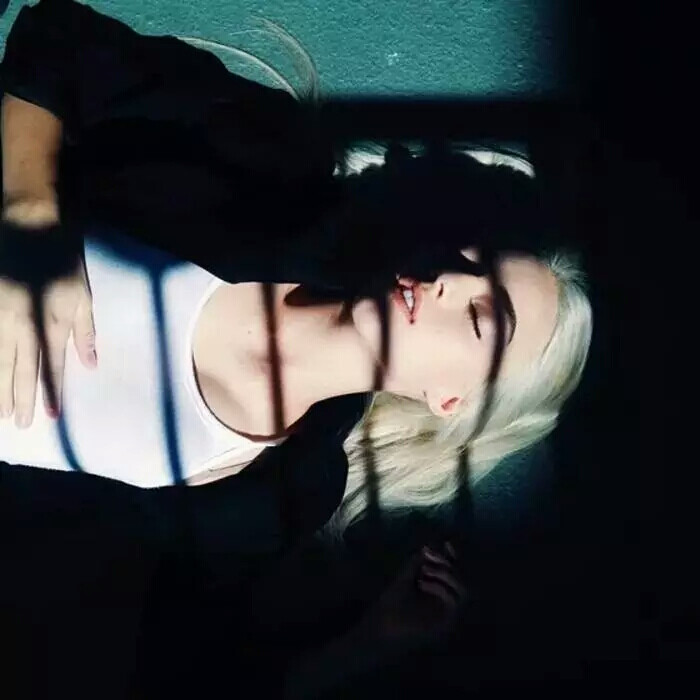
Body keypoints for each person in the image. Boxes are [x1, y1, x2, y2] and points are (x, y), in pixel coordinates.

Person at [0, 0, 592, 696]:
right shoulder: (272, 170)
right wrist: (28, 206)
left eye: (482, 319)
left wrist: (367, 644)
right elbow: (58, 40)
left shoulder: (276, 496)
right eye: (471, 258)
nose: (448, 282)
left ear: (449, 400)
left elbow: (188, 680)